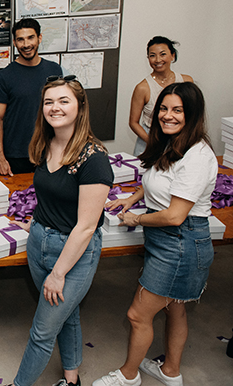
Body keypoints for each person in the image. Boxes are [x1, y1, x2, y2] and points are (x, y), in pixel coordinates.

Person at [94, 82, 216, 386]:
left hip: (181, 242)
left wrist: (137, 217)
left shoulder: (198, 156)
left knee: (137, 315)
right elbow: (158, 178)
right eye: (163, 108)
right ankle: (171, 371)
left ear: (193, 114)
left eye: (177, 110)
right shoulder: (171, 143)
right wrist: (131, 198)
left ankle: (128, 376)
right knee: (175, 310)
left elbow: (175, 215)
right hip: (168, 240)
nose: (168, 116)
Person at [6, 76, 113, 386]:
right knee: (67, 314)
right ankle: (72, 378)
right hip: (39, 240)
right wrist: (36, 222)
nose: (55, 107)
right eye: (49, 101)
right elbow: (50, 194)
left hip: (73, 254)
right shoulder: (45, 143)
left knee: (42, 331)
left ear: (80, 107)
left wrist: (59, 273)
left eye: (63, 100)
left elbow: (86, 226)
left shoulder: (94, 160)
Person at [0, 18, 62, 175]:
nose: (26, 44)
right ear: (15, 43)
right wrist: (0, 158)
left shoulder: (54, 70)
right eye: (20, 40)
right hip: (16, 156)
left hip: (51, 152)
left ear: (39, 38)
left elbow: (63, 111)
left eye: (30, 37)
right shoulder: (4, 76)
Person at [128, 36, 193, 156]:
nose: (158, 60)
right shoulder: (142, 88)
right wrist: (152, 142)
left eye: (163, 54)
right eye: (152, 55)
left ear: (172, 55)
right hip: (150, 141)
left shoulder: (186, 81)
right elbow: (133, 122)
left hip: (180, 140)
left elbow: (193, 114)